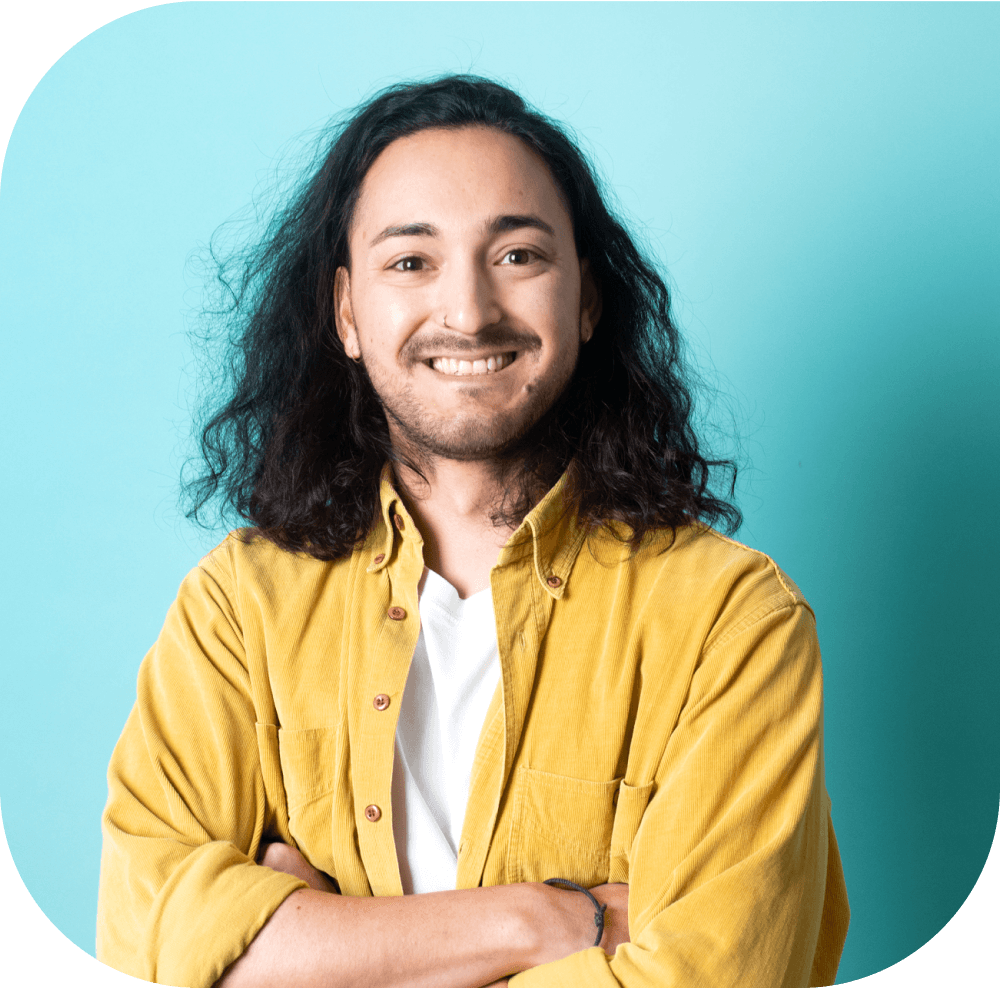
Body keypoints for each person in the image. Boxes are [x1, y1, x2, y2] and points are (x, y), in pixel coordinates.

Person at [96, 75, 850, 988]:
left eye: (519, 255)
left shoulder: (730, 621)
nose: (468, 312)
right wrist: (547, 919)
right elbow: (148, 940)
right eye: (410, 262)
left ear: (586, 302)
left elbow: (719, 974)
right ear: (346, 313)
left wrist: (312, 945)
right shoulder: (239, 606)